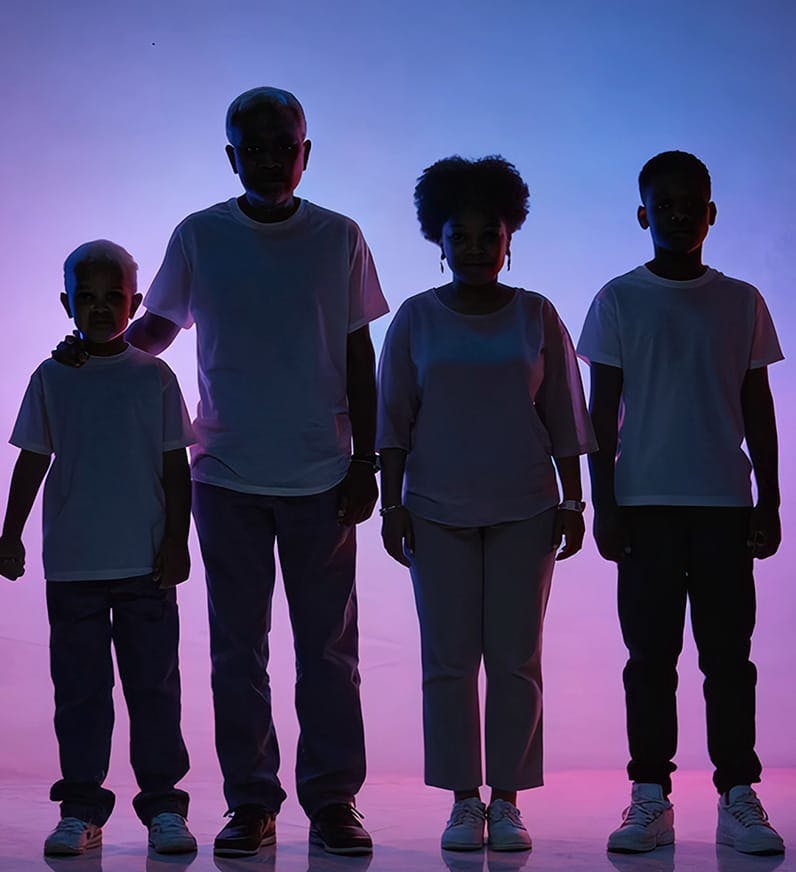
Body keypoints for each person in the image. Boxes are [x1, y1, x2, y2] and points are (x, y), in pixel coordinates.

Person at [119, 87, 387, 857]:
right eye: (254, 146)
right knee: (238, 650)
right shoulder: (201, 235)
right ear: (232, 155)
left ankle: (334, 802)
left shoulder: (339, 237)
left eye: (285, 144)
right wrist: (99, 357)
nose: (271, 157)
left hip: (322, 472)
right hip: (226, 472)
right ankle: (251, 803)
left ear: (307, 153)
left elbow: (358, 352)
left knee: (329, 651)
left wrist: (365, 459)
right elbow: (160, 327)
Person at [377, 156, 596, 853]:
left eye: (488, 234)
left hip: (526, 507)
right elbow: (392, 422)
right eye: (459, 235)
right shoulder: (415, 318)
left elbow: (565, 412)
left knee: (514, 659)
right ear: (437, 242)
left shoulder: (537, 314)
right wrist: (391, 504)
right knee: (447, 660)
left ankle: (507, 799)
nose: (474, 247)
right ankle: (463, 801)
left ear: (510, 240)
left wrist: (574, 501)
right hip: (435, 508)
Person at [577, 150, 785, 856]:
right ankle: (649, 796)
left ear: (711, 213)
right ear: (643, 214)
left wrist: (772, 499)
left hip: (724, 503)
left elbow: (758, 409)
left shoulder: (741, 301)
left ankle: (737, 794)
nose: (676, 214)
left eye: (689, 203)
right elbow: (599, 418)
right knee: (649, 658)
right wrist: (602, 504)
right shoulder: (617, 300)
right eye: (662, 204)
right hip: (644, 505)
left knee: (729, 656)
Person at [0, 241, 196, 857]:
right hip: (76, 565)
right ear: (67, 304)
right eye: (87, 298)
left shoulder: (154, 376)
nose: (101, 308)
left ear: (135, 303)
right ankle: (81, 807)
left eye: (115, 297)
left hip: (145, 565)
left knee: (154, 690)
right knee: (81, 693)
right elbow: (32, 460)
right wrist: (9, 534)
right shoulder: (52, 376)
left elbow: (175, 468)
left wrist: (176, 542)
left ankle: (164, 807)